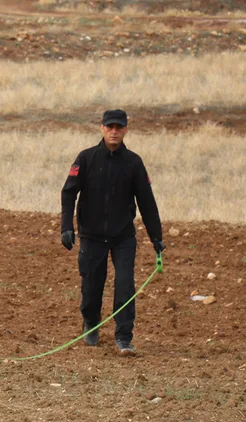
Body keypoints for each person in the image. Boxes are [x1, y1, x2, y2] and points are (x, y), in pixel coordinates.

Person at [60, 109, 165, 355]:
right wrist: (67, 227)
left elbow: (147, 202)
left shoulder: (134, 163)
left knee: (125, 284)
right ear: (102, 128)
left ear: (126, 130)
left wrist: (156, 237)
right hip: (92, 235)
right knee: (91, 287)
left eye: (119, 127)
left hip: (122, 237)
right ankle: (91, 323)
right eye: (110, 127)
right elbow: (68, 192)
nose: (114, 131)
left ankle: (124, 337)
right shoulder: (85, 159)